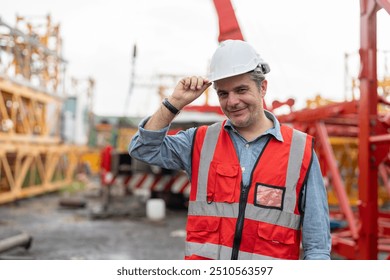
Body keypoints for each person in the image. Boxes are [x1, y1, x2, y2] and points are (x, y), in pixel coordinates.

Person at [129, 40, 331, 260]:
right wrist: (174, 103)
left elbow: (317, 248)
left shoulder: (299, 151)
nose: (232, 101)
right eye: (223, 94)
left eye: (241, 90)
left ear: (262, 87)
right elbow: (142, 149)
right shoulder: (200, 141)